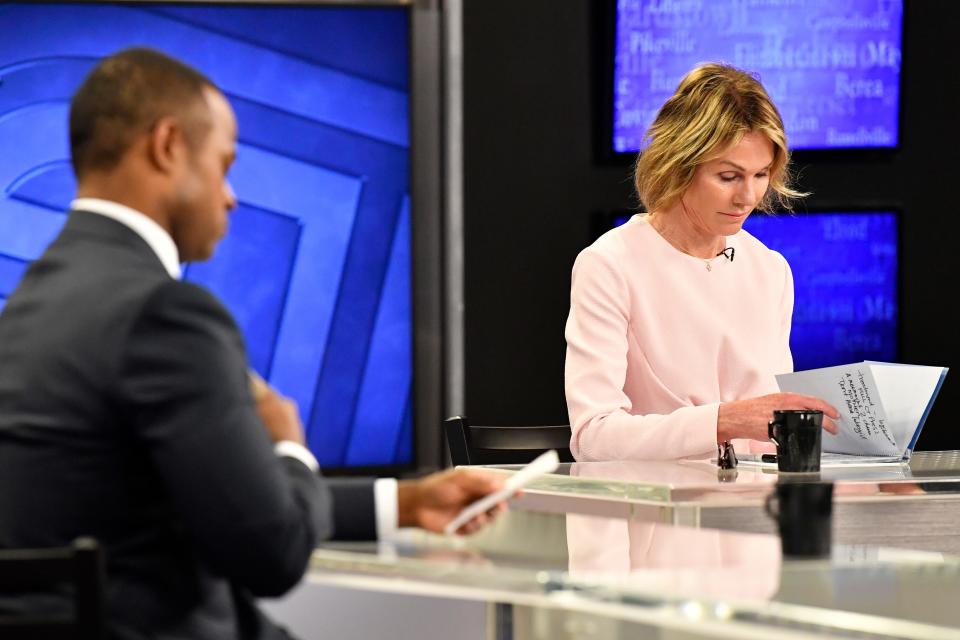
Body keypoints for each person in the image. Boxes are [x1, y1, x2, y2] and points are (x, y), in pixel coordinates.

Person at [0, 48, 506, 639]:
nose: (231, 195)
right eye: (223, 164)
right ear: (167, 146)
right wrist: (289, 444)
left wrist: (407, 503)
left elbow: (209, 502)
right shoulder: (166, 315)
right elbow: (272, 552)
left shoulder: (31, 303)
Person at [564, 63, 839, 461]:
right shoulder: (609, 266)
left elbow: (770, 436)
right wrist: (724, 421)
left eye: (761, 174)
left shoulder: (770, 270)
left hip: (754, 513)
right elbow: (594, 438)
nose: (748, 197)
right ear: (678, 165)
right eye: (729, 176)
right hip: (655, 512)